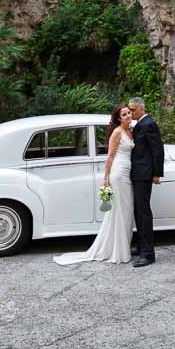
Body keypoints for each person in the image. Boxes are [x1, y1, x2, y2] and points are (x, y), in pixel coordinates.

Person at [53, 105, 135, 266]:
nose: (127, 116)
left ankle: (122, 246)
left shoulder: (130, 130)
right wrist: (106, 178)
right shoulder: (118, 132)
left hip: (128, 171)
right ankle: (117, 251)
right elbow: (110, 156)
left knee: (127, 210)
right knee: (119, 211)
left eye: (128, 113)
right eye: (124, 114)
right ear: (119, 118)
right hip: (118, 173)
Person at [127, 96, 164, 267]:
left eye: (133, 110)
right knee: (137, 211)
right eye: (129, 109)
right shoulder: (138, 124)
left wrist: (157, 174)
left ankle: (148, 254)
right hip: (137, 173)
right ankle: (141, 244)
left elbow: (157, 150)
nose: (130, 112)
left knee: (143, 213)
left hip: (144, 174)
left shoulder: (149, 124)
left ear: (142, 109)